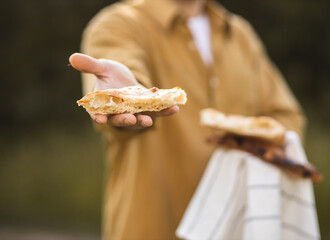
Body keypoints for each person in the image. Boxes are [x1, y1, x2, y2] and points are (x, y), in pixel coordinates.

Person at [70, 0, 305, 239]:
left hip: (234, 228)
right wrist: (130, 96)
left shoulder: (239, 33)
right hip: (154, 228)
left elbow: (286, 117)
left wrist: (250, 146)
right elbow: (124, 87)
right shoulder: (118, 24)